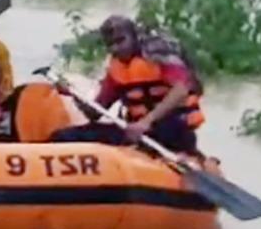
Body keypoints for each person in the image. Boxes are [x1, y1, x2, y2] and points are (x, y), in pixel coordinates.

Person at [75, 15, 205, 155]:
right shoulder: (115, 69)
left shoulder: (158, 55)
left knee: (169, 129)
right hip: (137, 134)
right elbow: (95, 113)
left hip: (174, 129)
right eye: (110, 44)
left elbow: (181, 90)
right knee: (68, 135)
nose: (115, 48)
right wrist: (74, 96)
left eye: (120, 41)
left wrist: (146, 122)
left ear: (134, 37)